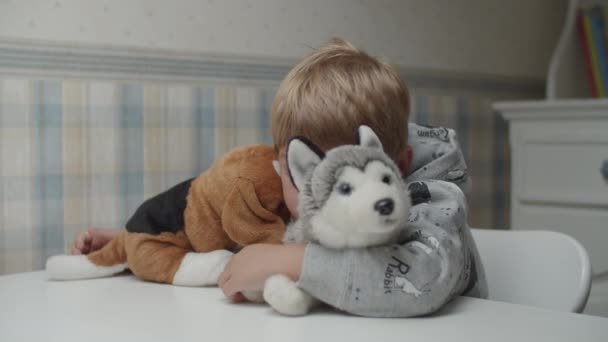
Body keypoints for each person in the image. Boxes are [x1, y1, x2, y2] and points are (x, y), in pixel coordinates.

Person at [72, 38, 487, 317]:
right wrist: (132, 241)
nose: (321, 200)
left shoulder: (434, 202)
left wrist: (289, 259)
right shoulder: (282, 194)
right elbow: (222, 230)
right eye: (303, 177)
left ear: (398, 163)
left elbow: (423, 277)